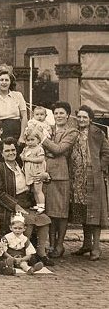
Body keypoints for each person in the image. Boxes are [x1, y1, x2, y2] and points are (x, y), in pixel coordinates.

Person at [0, 137, 53, 267]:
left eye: (13, 150)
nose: (11, 153)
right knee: (28, 220)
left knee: (44, 219)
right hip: (10, 206)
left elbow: (38, 176)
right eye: (7, 151)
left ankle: (41, 253)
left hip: (29, 201)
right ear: (1, 153)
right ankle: (25, 254)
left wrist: (45, 177)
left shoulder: (22, 163)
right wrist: (16, 206)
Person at [69, 105, 109, 261]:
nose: (81, 119)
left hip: (93, 177)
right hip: (77, 177)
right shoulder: (73, 132)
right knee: (83, 210)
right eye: (79, 117)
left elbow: (106, 152)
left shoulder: (98, 133)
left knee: (95, 212)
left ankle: (96, 247)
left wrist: (101, 168)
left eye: (85, 117)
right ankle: (86, 244)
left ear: (90, 119)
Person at [38, 102, 77, 258]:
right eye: (56, 113)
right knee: (50, 212)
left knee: (61, 212)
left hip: (61, 175)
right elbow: (48, 149)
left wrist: (44, 141)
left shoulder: (72, 131)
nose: (59, 116)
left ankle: (60, 245)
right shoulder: (49, 128)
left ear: (67, 115)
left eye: (62, 113)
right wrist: (51, 149)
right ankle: (51, 244)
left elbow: (59, 149)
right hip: (46, 173)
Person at [0, 65, 27, 142]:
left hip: (16, 133)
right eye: (1, 80)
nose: (4, 82)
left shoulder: (18, 95)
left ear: (10, 82)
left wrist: (22, 137)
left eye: (7, 80)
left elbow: (24, 117)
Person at [21, 126, 48, 213]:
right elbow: (21, 156)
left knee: (38, 190)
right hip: (29, 173)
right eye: (28, 140)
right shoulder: (26, 149)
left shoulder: (39, 149)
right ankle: (38, 204)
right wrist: (22, 156)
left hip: (37, 172)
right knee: (34, 190)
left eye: (32, 140)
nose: (30, 142)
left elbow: (41, 159)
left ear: (38, 140)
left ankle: (42, 206)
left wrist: (28, 159)